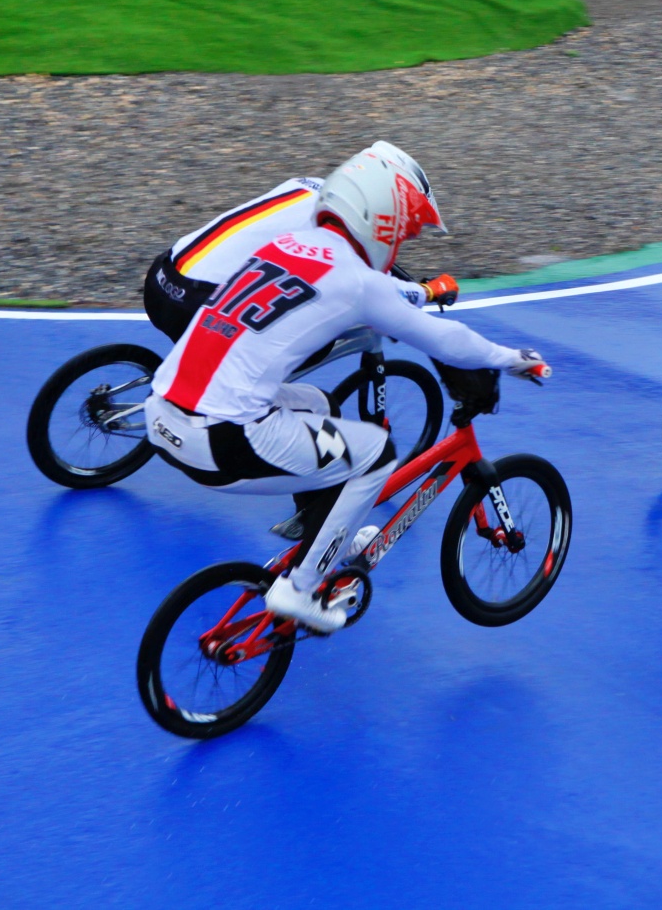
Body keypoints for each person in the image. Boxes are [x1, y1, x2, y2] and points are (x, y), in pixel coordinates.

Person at [144, 142, 549, 633]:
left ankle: (328, 534)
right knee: (376, 454)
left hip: (163, 411)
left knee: (318, 405)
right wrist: (513, 360)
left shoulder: (286, 247)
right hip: (220, 435)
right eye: (404, 230)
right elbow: (446, 338)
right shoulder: (358, 281)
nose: (400, 243)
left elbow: (383, 298)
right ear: (383, 219)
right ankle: (300, 589)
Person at [144, 168, 450, 341]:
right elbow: (374, 285)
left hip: (162, 275)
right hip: (194, 306)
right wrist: (428, 290)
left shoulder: (311, 187)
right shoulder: (342, 230)